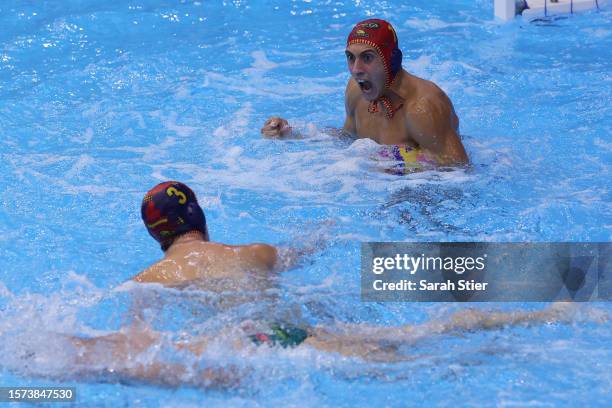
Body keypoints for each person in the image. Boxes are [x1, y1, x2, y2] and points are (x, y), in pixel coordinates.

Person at [64, 302, 606, 388]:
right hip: (261, 330)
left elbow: (218, 378)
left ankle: (513, 348)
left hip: (263, 345)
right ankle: (544, 313)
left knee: (409, 363)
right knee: (408, 338)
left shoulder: (76, 364)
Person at [261, 19, 468, 167]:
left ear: (391, 61)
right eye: (351, 57)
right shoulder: (356, 91)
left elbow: (459, 169)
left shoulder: (422, 107)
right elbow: (347, 140)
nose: (356, 69)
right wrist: (293, 133)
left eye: (367, 58)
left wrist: (402, 162)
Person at [134, 181, 279, 288]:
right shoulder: (259, 253)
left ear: (154, 234)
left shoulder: (145, 281)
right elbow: (299, 253)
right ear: (197, 215)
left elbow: (136, 328)